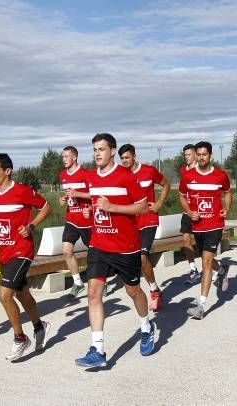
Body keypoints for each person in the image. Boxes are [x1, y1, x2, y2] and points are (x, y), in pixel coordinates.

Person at [75, 133, 156, 368]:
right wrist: (93, 212)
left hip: (125, 247)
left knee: (133, 292)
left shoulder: (126, 176)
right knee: (93, 294)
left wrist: (112, 207)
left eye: (101, 149)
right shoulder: (91, 177)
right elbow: (96, 201)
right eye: (94, 150)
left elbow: (142, 208)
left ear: (112, 152)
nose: (97, 154)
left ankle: (146, 326)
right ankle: (97, 350)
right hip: (99, 245)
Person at [0, 153, 52, 361]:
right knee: (23, 295)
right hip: (3, 254)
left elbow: (46, 207)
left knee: (4, 296)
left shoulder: (22, 191)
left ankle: (20, 339)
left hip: (22, 251)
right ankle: (40, 327)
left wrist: (31, 226)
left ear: (7, 171)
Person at [180, 142, 232, 320]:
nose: (201, 157)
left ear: (210, 156)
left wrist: (227, 208)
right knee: (205, 259)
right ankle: (223, 270)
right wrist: (188, 211)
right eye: (199, 155)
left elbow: (227, 192)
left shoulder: (220, 175)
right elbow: (181, 196)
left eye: (204, 154)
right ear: (196, 155)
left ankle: (201, 306)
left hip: (215, 225)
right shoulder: (188, 176)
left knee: (206, 263)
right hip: (197, 226)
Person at [118, 144, 171, 311]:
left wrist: (159, 203)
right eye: (122, 159)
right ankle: (154, 287)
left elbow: (166, 185)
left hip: (148, 218)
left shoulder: (149, 171)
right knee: (135, 259)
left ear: (134, 156)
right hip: (131, 222)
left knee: (142, 256)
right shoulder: (120, 175)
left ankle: (154, 291)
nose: (124, 161)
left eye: (127, 157)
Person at [59, 146, 92, 298]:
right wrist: (63, 199)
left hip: (86, 220)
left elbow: (95, 194)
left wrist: (77, 193)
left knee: (95, 253)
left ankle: (101, 281)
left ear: (75, 157)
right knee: (66, 250)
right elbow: (68, 195)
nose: (64, 159)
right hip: (71, 218)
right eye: (63, 157)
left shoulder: (86, 174)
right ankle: (78, 282)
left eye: (66, 156)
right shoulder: (63, 175)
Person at [179, 144, 202, 285]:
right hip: (187, 211)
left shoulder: (201, 170)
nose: (186, 157)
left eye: (188, 154)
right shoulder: (183, 170)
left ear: (194, 155)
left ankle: (215, 268)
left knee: (203, 243)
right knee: (186, 241)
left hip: (199, 211)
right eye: (185, 155)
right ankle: (193, 270)